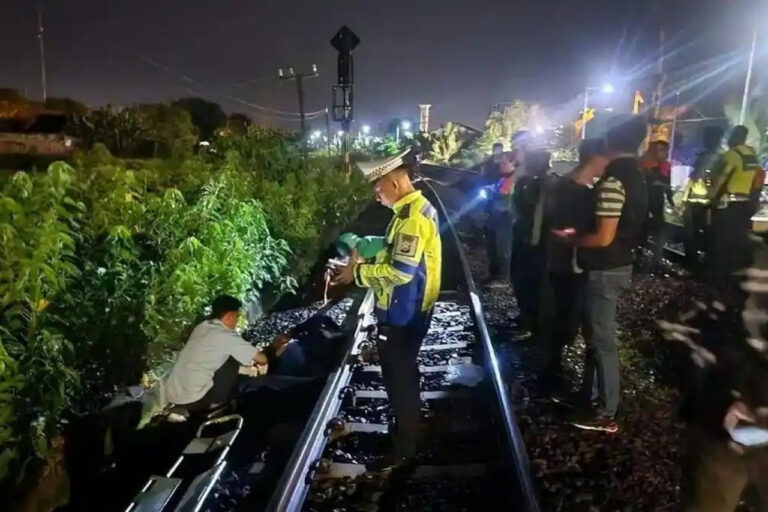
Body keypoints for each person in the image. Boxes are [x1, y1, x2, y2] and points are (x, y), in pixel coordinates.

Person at [333, 149, 442, 469]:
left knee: (399, 380)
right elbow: (398, 255)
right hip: (414, 308)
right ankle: (408, 431)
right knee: (406, 372)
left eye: (378, 187)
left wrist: (357, 274)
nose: (376, 195)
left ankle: (405, 447)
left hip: (401, 313)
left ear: (395, 183)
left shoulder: (411, 219)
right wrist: (368, 252)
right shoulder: (417, 209)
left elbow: (401, 272)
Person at [553, 115, 649, 433]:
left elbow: (604, 237)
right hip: (618, 264)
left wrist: (572, 240)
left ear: (609, 142)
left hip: (606, 268)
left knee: (603, 340)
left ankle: (607, 412)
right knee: (596, 337)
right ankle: (589, 396)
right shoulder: (637, 176)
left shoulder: (613, 181)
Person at [542, 139, 608, 389]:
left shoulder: (565, 185)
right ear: (595, 158)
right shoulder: (576, 192)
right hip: (570, 263)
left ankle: (553, 365)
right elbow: (562, 227)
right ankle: (551, 371)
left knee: (565, 316)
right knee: (566, 318)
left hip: (565, 262)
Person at [165, 295, 289, 413]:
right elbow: (261, 359)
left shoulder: (202, 327)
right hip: (194, 398)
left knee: (224, 359)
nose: (236, 321)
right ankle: (217, 404)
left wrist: (247, 370)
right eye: (236, 317)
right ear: (230, 316)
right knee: (232, 361)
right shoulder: (226, 336)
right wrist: (273, 349)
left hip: (172, 394)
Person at [709, 125, 765, 281]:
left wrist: (712, 197)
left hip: (728, 203)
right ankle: (738, 273)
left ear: (734, 137)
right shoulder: (752, 156)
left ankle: (720, 275)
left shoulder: (731, 155)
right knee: (738, 239)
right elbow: (757, 179)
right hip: (745, 203)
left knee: (722, 239)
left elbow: (721, 179)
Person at [510, 150, 551, 339]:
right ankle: (526, 316)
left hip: (537, 243)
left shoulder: (547, 185)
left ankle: (532, 324)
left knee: (532, 284)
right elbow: (516, 206)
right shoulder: (525, 183)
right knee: (521, 280)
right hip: (524, 238)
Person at [681, 126, 723, 272]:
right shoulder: (718, 158)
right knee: (702, 234)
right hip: (705, 202)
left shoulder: (710, 158)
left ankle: (694, 263)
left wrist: (684, 199)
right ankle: (700, 264)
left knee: (693, 234)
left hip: (701, 203)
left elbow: (695, 178)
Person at [485, 150, 519, 288]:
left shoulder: (514, 180)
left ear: (513, 163)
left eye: (504, 163)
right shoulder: (503, 179)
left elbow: (507, 202)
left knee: (504, 248)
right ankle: (496, 275)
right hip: (497, 218)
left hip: (506, 219)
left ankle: (504, 278)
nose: (501, 166)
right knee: (495, 247)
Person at [640, 140, 674, 266]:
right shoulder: (645, 166)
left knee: (660, 231)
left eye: (665, 150)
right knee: (643, 231)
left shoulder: (666, 166)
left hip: (659, 205)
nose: (664, 153)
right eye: (661, 150)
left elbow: (668, 185)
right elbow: (653, 182)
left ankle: (655, 259)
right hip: (645, 204)